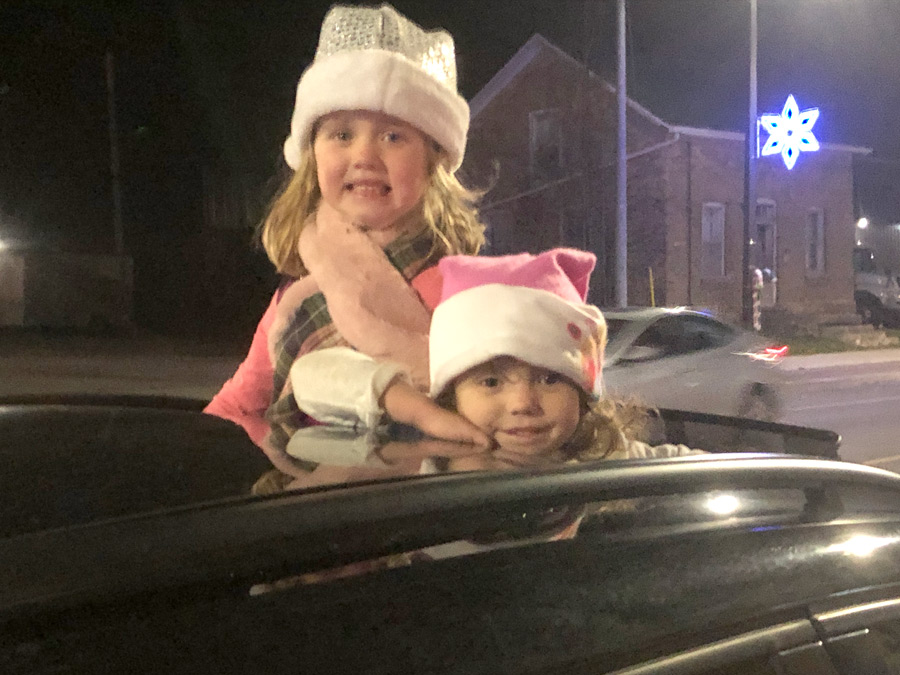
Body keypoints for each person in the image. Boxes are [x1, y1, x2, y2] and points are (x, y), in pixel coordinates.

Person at [204, 3, 487, 470]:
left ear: (433, 160)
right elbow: (238, 407)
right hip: (315, 504)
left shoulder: (463, 286)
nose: (364, 156)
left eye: (393, 136)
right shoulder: (295, 302)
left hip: (432, 497)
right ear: (312, 155)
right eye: (341, 134)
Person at [285, 248, 700, 471]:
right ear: (451, 393)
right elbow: (310, 376)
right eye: (490, 382)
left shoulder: (600, 454)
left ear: (583, 391)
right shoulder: (425, 452)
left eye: (549, 379)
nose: (523, 403)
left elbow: (692, 469)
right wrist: (419, 412)